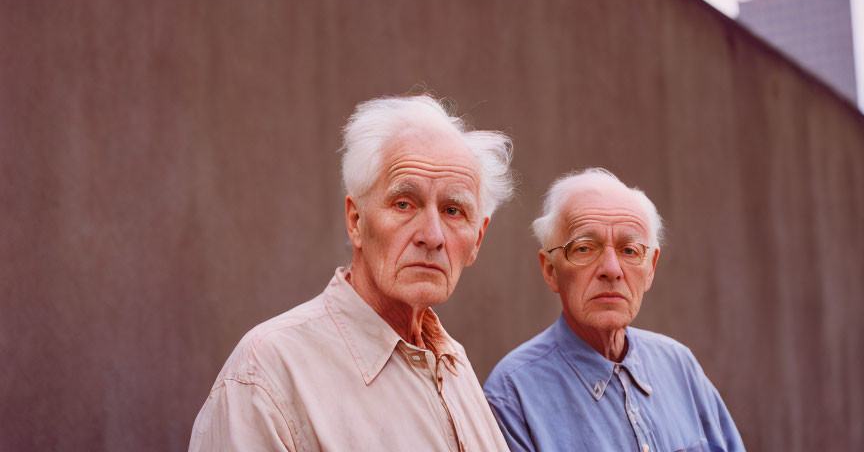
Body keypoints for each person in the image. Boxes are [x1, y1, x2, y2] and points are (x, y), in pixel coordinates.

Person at [189, 94, 515, 451]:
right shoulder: (266, 373)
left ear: (478, 239)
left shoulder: (454, 365)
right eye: (404, 204)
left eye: (453, 211)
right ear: (356, 221)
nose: (432, 236)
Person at [484, 168, 745, 452]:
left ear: (650, 269)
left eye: (630, 250)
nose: (611, 269)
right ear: (551, 270)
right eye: (584, 248)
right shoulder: (512, 393)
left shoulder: (679, 365)